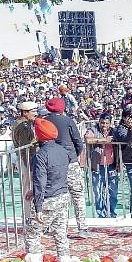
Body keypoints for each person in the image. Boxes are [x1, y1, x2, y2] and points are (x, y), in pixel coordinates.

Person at [24, 119, 71, 261]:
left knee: (33, 235)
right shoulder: (63, 151)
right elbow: (57, 176)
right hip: (62, 196)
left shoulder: (40, 155)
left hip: (47, 200)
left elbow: (40, 182)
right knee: (61, 234)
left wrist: (38, 208)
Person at [42, 97, 88, 237]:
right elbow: (78, 143)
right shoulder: (68, 121)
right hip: (70, 162)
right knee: (78, 195)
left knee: (54, 195)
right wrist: (73, 156)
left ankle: (52, 227)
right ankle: (82, 228)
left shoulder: (44, 121)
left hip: (52, 163)